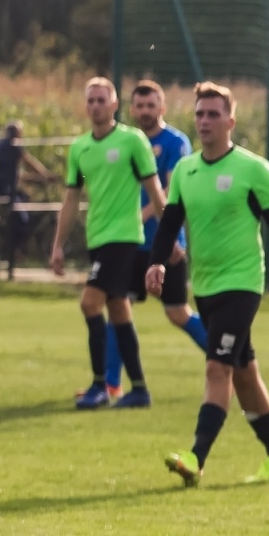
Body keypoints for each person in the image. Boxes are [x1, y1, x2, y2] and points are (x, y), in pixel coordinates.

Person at [146, 82, 269, 487]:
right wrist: (156, 263)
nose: (204, 121)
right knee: (243, 374)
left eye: (213, 114)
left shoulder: (255, 171)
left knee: (217, 367)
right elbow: (169, 222)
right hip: (205, 285)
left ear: (230, 121)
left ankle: (195, 458)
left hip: (243, 283)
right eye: (200, 114)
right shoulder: (185, 170)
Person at [51, 77, 165, 410]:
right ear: (85, 107)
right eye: (91, 101)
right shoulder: (80, 148)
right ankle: (140, 389)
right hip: (98, 238)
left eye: (103, 100)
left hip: (125, 237)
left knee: (89, 303)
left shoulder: (133, 141)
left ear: (115, 105)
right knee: (118, 310)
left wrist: (170, 235)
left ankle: (100, 386)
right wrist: (57, 245)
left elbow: (156, 191)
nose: (97, 106)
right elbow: (70, 200)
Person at [101, 80, 209, 395]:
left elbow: (172, 192)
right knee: (118, 307)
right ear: (130, 108)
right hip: (128, 243)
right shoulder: (123, 141)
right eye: (140, 106)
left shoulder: (176, 143)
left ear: (161, 108)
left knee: (177, 312)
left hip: (165, 245)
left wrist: (167, 234)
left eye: (152, 106)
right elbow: (86, 172)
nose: (145, 111)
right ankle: (110, 384)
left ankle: (229, 358)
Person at [0, 121, 52, 253]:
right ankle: (12, 250)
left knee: (24, 197)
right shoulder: (12, 144)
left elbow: (19, 175)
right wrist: (45, 175)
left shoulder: (4, 145)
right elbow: (28, 161)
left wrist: (38, 178)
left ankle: (15, 242)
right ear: (16, 133)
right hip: (1, 188)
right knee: (22, 218)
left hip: (1, 186)